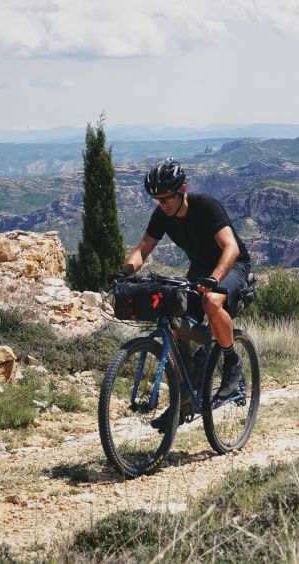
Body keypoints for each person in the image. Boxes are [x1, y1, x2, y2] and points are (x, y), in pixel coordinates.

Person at [120, 158, 252, 430]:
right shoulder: (162, 214)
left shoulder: (206, 206)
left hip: (231, 265)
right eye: (157, 200)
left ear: (182, 189)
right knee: (176, 317)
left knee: (211, 302)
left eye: (167, 198)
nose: (162, 205)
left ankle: (231, 362)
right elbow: (143, 249)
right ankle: (186, 396)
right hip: (201, 269)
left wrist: (215, 279)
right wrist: (124, 273)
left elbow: (231, 247)